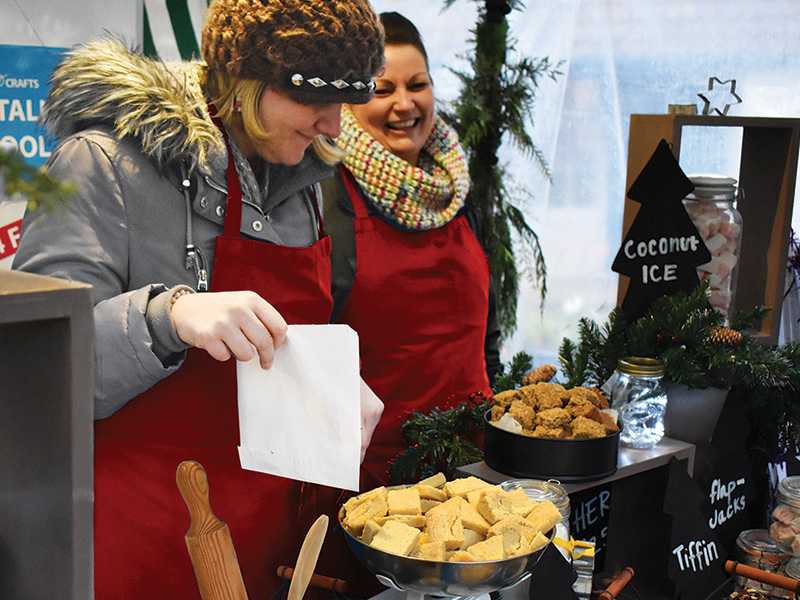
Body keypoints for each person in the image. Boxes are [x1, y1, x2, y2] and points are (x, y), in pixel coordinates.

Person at [12, 1, 384, 598]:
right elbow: (39, 374)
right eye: (316, 99)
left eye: (346, 103)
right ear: (247, 81)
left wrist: (327, 385)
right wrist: (169, 317)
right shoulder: (101, 165)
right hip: (139, 544)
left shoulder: (304, 185)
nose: (335, 126)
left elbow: (274, 348)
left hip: (269, 549)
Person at [322, 10, 503, 493]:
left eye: (418, 85)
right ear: (348, 102)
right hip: (374, 480)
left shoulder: (458, 190)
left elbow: (486, 334)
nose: (404, 104)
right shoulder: (326, 196)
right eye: (382, 90)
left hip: (476, 472)